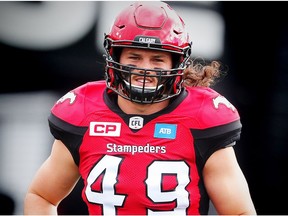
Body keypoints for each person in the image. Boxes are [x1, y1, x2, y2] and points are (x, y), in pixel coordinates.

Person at [24, 1, 257, 215]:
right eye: (134, 57)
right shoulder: (84, 111)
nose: (144, 70)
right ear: (115, 57)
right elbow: (41, 196)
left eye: (157, 59)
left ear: (177, 63)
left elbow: (239, 212)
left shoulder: (203, 117)